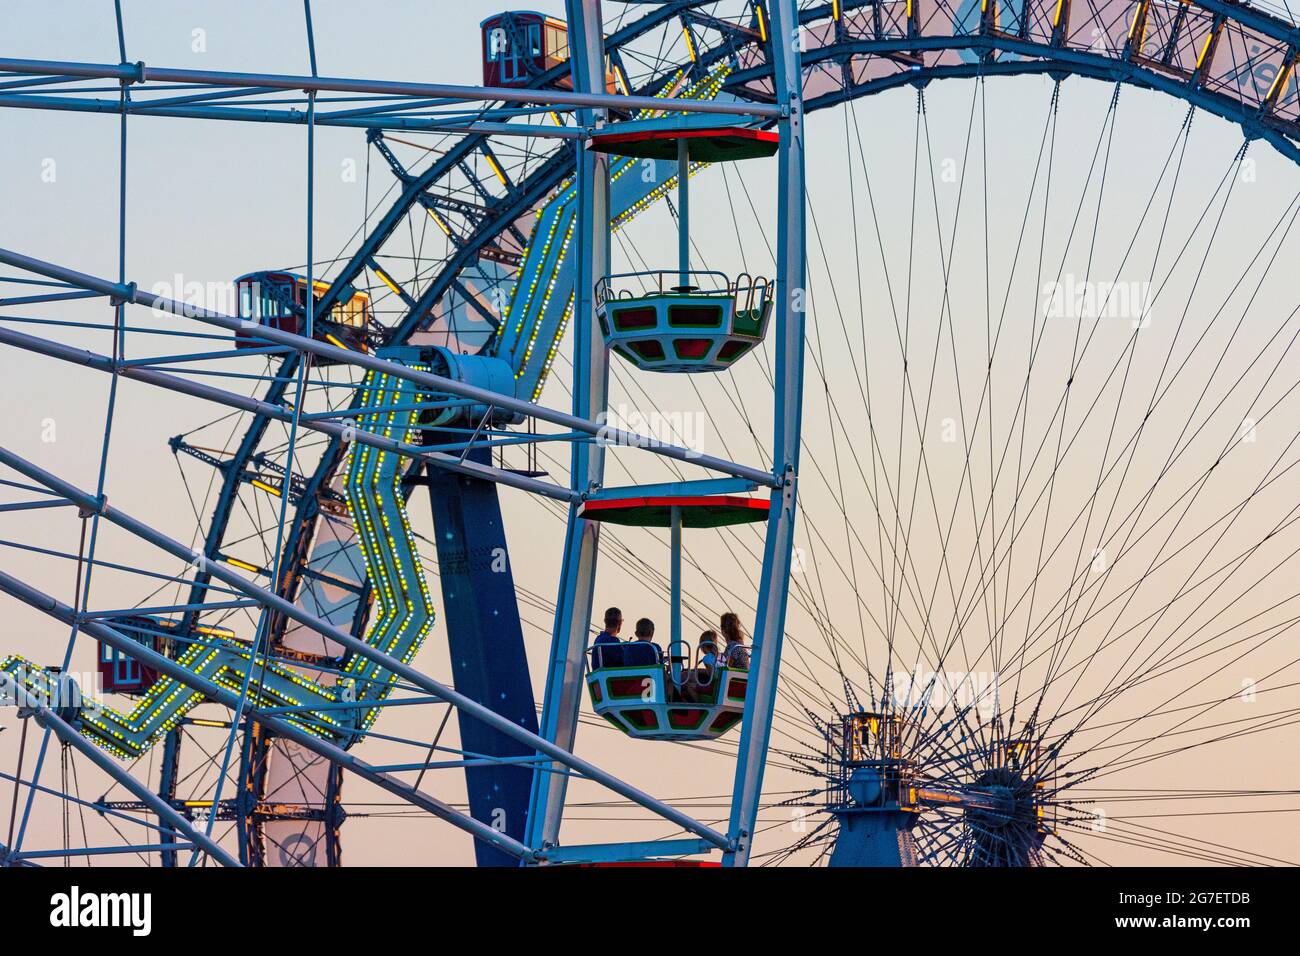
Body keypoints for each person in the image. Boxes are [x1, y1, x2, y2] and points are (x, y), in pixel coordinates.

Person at [681, 630, 720, 703]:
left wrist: (697, 671)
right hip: (721, 685)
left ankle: (698, 705)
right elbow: (715, 670)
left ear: (703, 646)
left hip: (714, 687)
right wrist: (699, 670)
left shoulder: (707, 658)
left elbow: (711, 675)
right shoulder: (721, 656)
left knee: (689, 686)